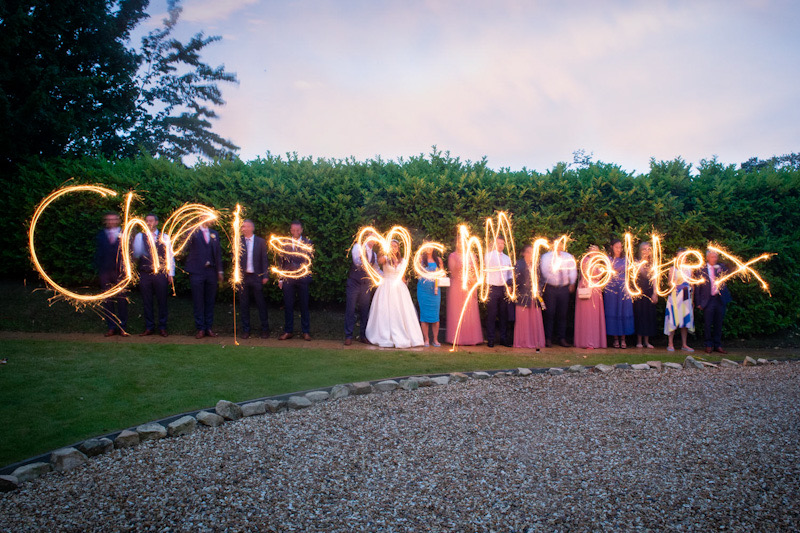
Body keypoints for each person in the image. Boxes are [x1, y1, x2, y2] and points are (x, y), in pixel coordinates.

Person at [365, 240, 424, 348]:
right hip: (386, 286)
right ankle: (384, 335)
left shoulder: (403, 261)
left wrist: (405, 284)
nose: (393, 248)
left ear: (398, 248)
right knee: (386, 311)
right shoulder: (385, 258)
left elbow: (403, 277)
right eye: (391, 246)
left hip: (399, 288)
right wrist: (387, 253)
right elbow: (380, 260)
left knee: (402, 311)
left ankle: (408, 336)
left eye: (395, 246)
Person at [133, 214, 174, 337]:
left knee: (162, 301)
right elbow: (136, 254)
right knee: (147, 301)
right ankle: (149, 327)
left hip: (160, 274)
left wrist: (170, 273)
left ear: (156, 222)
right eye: (147, 221)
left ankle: (162, 327)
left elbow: (170, 256)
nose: (149, 223)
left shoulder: (164, 237)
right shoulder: (140, 237)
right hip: (145, 273)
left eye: (151, 221)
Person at [185, 220, 223, 339]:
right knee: (198, 300)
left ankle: (208, 327)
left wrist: (220, 271)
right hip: (197, 271)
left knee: (210, 300)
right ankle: (200, 328)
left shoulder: (214, 233)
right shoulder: (193, 231)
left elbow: (217, 253)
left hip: (211, 271)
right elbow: (185, 247)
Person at [94, 212, 129, 337]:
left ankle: (122, 327)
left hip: (120, 273)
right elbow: (98, 253)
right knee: (107, 300)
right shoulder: (101, 235)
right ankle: (111, 327)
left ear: (118, 220)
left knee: (122, 300)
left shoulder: (125, 234)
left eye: (113, 219)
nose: (111, 222)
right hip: (105, 272)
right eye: (108, 220)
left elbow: (130, 252)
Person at [278, 220, 313, 341]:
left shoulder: (308, 242)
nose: (295, 232)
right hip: (288, 278)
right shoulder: (285, 242)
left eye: (297, 230)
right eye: (293, 230)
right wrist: (280, 278)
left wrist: (299, 268)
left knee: (304, 305)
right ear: (290, 230)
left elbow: (310, 259)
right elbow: (280, 261)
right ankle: (288, 331)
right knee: (288, 305)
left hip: (302, 278)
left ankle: (306, 331)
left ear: (301, 230)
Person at [446, 237, 483, 346]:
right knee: (457, 312)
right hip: (457, 286)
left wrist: (474, 281)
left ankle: (471, 339)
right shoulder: (453, 256)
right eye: (459, 242)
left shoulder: (473, 256)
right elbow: (453, 272)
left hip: (470, 287)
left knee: (470, 312)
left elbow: (476, 271)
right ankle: (457, 339)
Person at [540, 243, 577, 347]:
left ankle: (562, 338)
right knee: (549, 313)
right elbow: (544, 272)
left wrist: (572, 282)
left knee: (563, 314)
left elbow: (572, 270)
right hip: (550, 288)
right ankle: (548, 338)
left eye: (561, 244)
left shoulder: (568, 257)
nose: (559, 246)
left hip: (564, 288)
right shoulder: (546, 257)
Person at [344, 232, 379, 345]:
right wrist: (365, 262)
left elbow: (377, 270)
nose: (373, 240)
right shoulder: (357, 247)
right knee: (350, 309)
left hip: (366, 284)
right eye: (371, 237)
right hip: (354, 283)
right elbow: (357, 262)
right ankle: (348, 336)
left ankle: (363, 335)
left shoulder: (374, 255)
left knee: (364, 310)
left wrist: (388, 277)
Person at [237, 219, 269, 339]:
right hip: (244, 278)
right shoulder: (239, 241)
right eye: (242, 227)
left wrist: (265, 275)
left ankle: (265, 329)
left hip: (256, 277)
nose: (243, 229)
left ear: (251, 228)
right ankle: (246, 329)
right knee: (244, 304)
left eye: (245, 227)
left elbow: (264, 260)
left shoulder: (260, 242)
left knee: (261, 303)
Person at [696, 249, 732, 354]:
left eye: (716, 257)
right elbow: (698, 286)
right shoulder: (702, 269)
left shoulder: (721, 267)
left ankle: (718, 345)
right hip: (708, 299)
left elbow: (731, 269)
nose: (714, 259)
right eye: (712, 257)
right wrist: (698, 302)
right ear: (707, 257)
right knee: (707, 323)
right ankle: (708, 344)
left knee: (719, 322)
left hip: (719, 299)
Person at [573, 245, 607, 349]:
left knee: (594, 316)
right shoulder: (586, 261)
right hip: (586, 288)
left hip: (595, 290)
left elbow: (599, 276)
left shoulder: (598, 262)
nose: (595, 253)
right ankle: (586, 341)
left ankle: (595, 341)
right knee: (587, 316)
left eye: (597, 251)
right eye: (593, 251)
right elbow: (587, 274)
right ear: (588, 252)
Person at [604, 239, 634, 348]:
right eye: (617, 247)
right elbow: (609, 270)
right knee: (613, 310)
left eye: (620, 247)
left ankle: (623, 339)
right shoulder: (608, 259)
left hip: (623, 289)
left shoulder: (626, 259)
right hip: (611, 289)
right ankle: (615, 339)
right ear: (612, 247)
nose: (619, 249)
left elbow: (631, 269)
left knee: (623, 311)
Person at [513, 245, 546, 349]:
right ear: (524, 253)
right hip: (523, 297)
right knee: (523, 321)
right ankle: (523, 342)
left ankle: (536, 342)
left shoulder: (536, 265)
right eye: (529, 252)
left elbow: (542, 280)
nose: (532, 255)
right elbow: (515, 280)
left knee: (535, 320)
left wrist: (538, 290)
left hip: (534, 297)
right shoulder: (519, 264)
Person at [484, 236, 513, 347]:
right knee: (491, 314)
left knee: (503, 314)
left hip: (503, 288)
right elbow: (487, 264)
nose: (501, 245)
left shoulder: (507, 258)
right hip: (492, 287)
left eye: (503, 243)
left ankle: (503, 338)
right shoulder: (489, 256)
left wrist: (509, 284)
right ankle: (490, 339)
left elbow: (510, 273)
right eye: (499, 243)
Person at [664, 248, 695, 352]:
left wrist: (692, 299)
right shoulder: (673, 269)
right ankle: (670, 343)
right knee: (673, 319)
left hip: (686, 297)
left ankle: (684, 344)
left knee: (685, 321)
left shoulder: (690, 269)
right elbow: (669, 283)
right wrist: (676, 283)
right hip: (675, 296)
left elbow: (692, 284)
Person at [417, 247, 444, 347]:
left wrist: (439, 273)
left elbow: (442, 274)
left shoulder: (439, 260)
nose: (429, 248)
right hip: (423, 290)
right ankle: (426, 339)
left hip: (435, 291)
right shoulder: (420, 259)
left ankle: (435, 340)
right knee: (424, 315)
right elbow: (417, 274)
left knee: (435, 315)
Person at [633, 242, 658, 349]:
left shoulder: (653, 264)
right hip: (639, 292)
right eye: (644, 249)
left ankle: (647, 341)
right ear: (640, 251)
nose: (646, 251)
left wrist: (655, 293)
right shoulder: (636, 262)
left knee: (648, 315)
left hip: (649, 291)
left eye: (648, 249)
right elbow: (636, 276)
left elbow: (655, 279)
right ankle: (639, 341)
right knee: (640, 314)